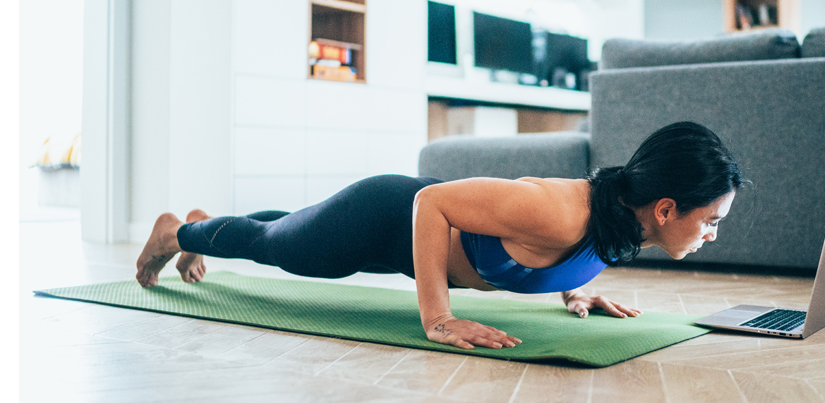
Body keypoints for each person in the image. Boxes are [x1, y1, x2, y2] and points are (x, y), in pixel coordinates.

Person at [135, 121, 746, 350]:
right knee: (284, 250)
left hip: (401, 244)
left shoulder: (621, 218)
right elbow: (430, 203)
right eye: (712, 219)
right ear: (666, 207)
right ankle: (178, 231)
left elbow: (561, 254)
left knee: (294, 232)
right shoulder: (560, 211)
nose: (713, 233)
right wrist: (438, 319)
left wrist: (575, 291)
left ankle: (203, 225)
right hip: (390, 213)